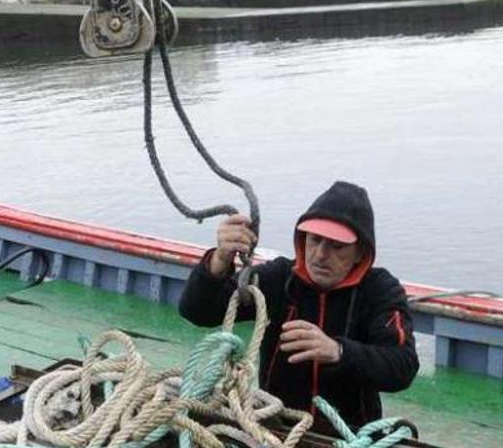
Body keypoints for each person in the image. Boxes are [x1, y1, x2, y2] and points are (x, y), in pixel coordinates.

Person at [178, 181, 418, 432]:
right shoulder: (279, 278)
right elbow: (197, 311)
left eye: (336, 246)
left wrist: (339, 351)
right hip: (275, 428)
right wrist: (219, 260)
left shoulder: (380, 290)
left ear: (361, 252)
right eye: (314, 240)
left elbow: (403, 366)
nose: (320, 254)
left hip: (353, 437)